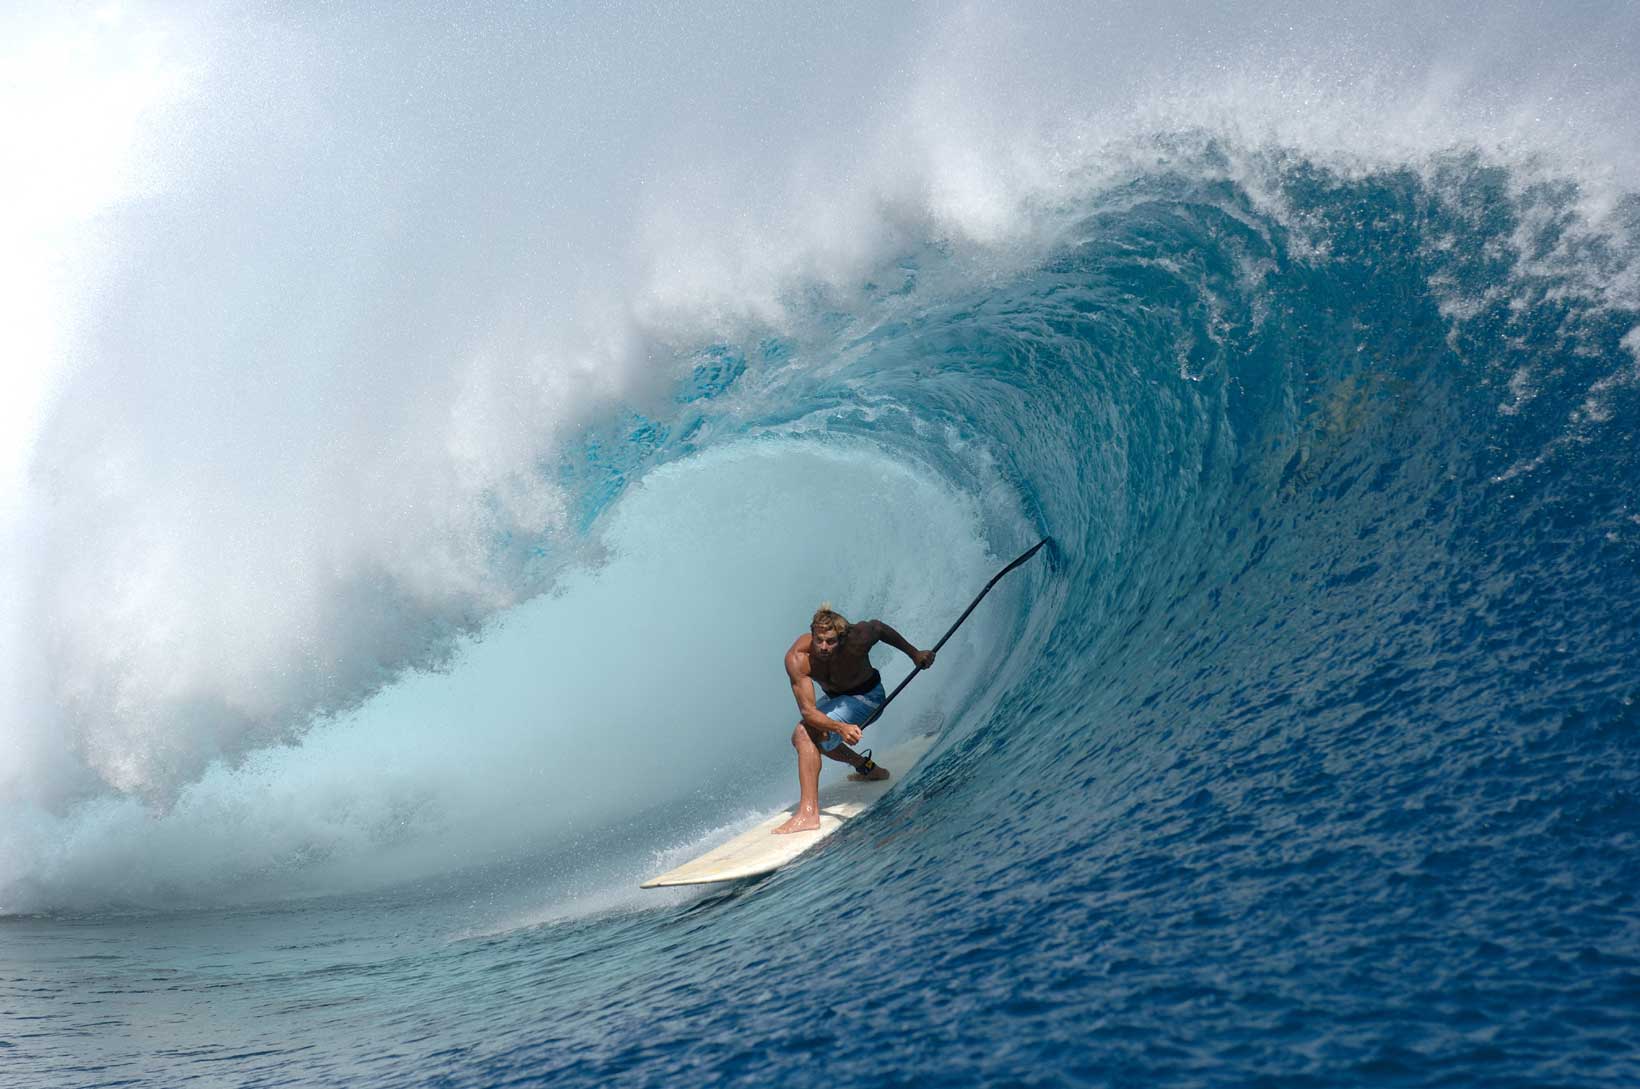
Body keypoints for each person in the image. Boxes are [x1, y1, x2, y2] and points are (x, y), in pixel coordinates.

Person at [772, 604, 935, 834]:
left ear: (842, 637)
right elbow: (808, 712)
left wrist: (914, 654)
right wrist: (839, 727)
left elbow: (879, 628)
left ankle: (809, 813)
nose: (824, 647)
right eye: (819, 640)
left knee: (805, 734)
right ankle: (868, 769)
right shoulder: (798, 658)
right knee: (807, 737)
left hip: (869, 698)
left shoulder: (857, 637)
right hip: (838, 700)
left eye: (830, 641)